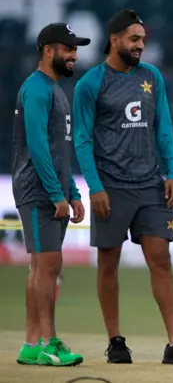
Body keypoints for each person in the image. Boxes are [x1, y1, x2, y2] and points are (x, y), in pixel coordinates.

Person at [72, 9, 173, 365]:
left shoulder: (152, 77)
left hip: (151, 186)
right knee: (108, 264)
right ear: (114, 39)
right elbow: (82, 141)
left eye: (143, 40)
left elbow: (163, 127)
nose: (140, 46)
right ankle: (115, 341)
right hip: (111, 188)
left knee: (161, 260)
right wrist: (95, 187)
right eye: (134, 39)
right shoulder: (90, 84)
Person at [12, 23, 91, 366]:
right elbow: (38, 147)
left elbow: (61, 150)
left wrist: (72, 192)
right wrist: (57, 193)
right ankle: (48, 342)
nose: (74, 55)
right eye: (68, 49)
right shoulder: (37, 89)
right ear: (48, 51)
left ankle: (32, 344)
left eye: (75, 49)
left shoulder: (56, 90)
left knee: (40, 267)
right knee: (48, 265)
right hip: (36, 189)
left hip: (51, 189)